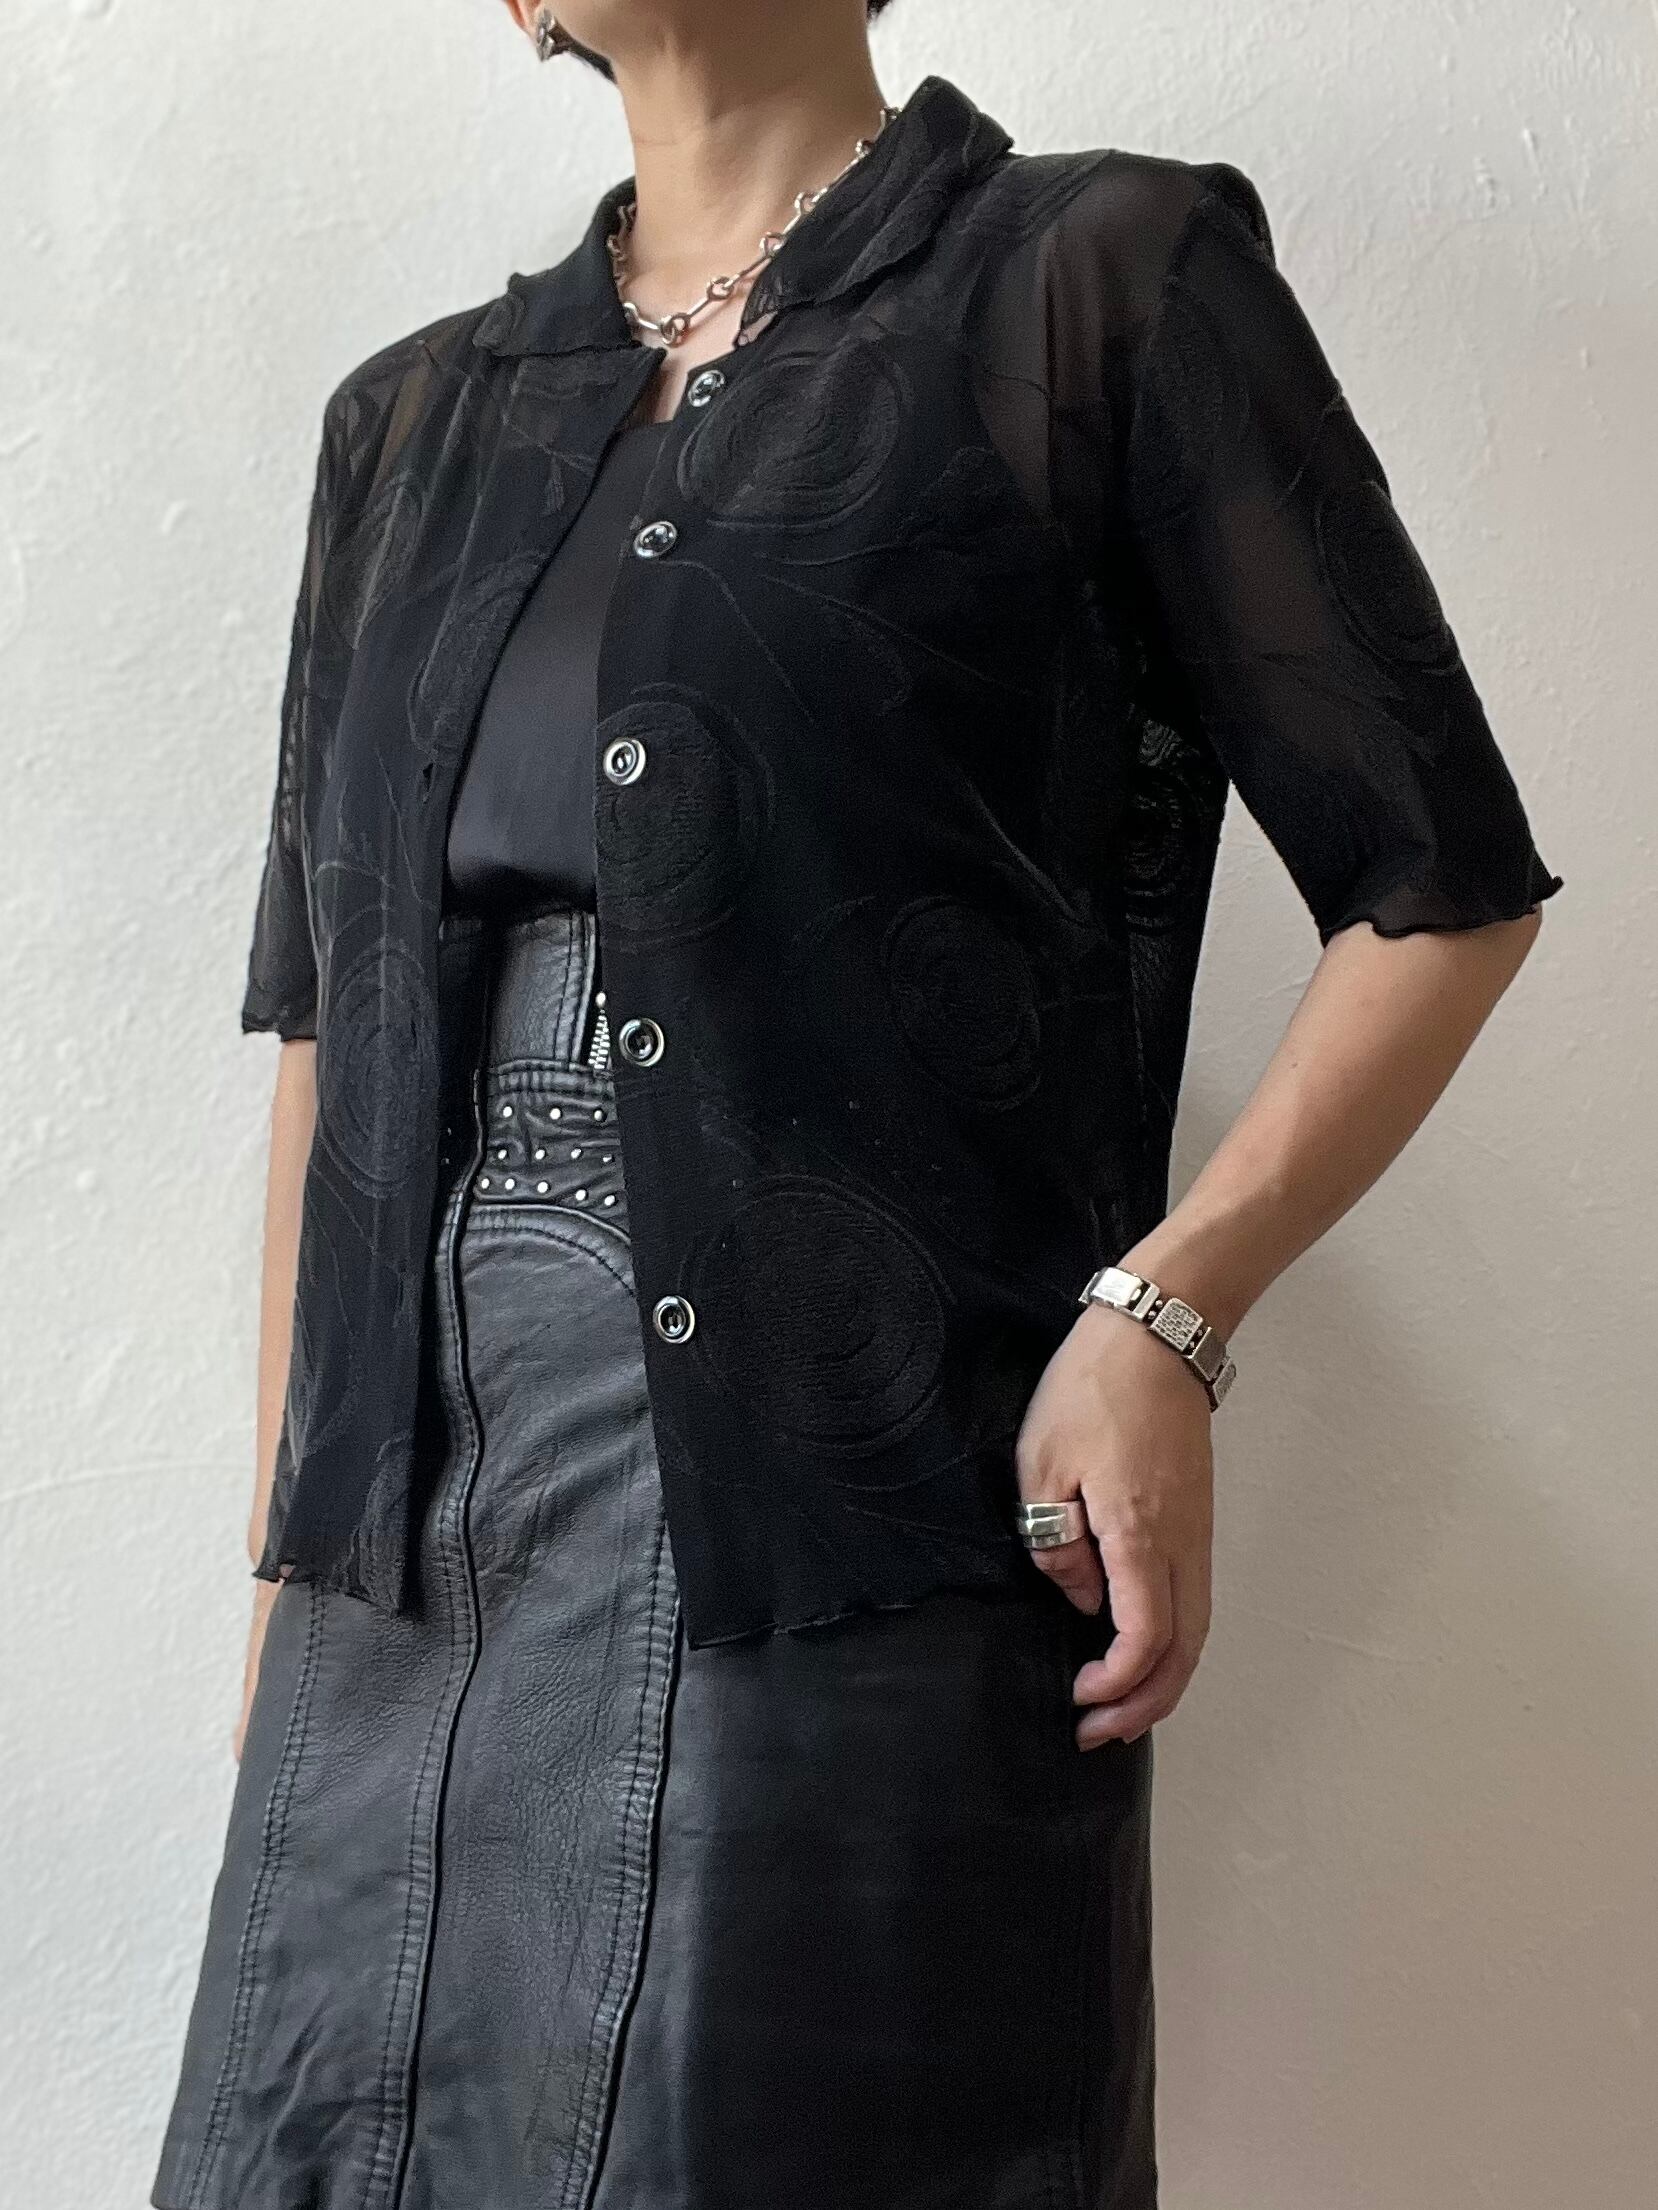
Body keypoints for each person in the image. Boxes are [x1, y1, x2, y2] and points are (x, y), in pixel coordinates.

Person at [152, 3, 1560, 2206]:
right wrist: (284, 1566)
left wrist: (1168, 1311)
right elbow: (329, 1033)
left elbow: (1438, 890)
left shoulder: (1093, 283)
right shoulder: (410, 425)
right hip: (402, 1548)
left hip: (848, 1496)